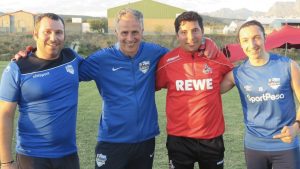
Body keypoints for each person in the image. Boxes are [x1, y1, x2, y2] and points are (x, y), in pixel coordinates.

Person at [13, 8, 221, 169]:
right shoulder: (100, 59)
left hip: (145, 140)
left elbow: (185, 51)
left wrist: (207, 41)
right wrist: (32, 55)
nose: (130, 38)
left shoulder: (156, 53)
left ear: (142, 31)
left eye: (135, 32)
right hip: (112, 141)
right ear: (115, 32)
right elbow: (65, 66)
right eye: (124, 32)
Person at [0, 13, 82, 169]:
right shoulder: (17, 68)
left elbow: (101, 67)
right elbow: (4, 115)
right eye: (47, 32)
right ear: (35, 34)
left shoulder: (72, 58)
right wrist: (6, 162)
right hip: (32, 157)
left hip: (69, 155)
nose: (53, 38)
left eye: (59, 32)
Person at [156, 11, 233, 169]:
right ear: (177, 34)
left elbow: (233, 75)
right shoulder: (167, 62)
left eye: (195, 30)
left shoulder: (215, 56)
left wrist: (214, 89)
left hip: (212, 138)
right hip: (179, 140)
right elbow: (152, 85)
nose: (190, 37)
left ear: (203, 32)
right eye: (184, 32)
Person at [220, 20, 300, 169]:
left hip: (286, 145)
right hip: (254, 146)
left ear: (265, 37)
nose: (252, 44)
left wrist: (296, 127)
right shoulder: (237, 74)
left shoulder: (288, 66)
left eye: (256, 37)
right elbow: (209, 89)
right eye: (245, 40)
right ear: (240, 44)